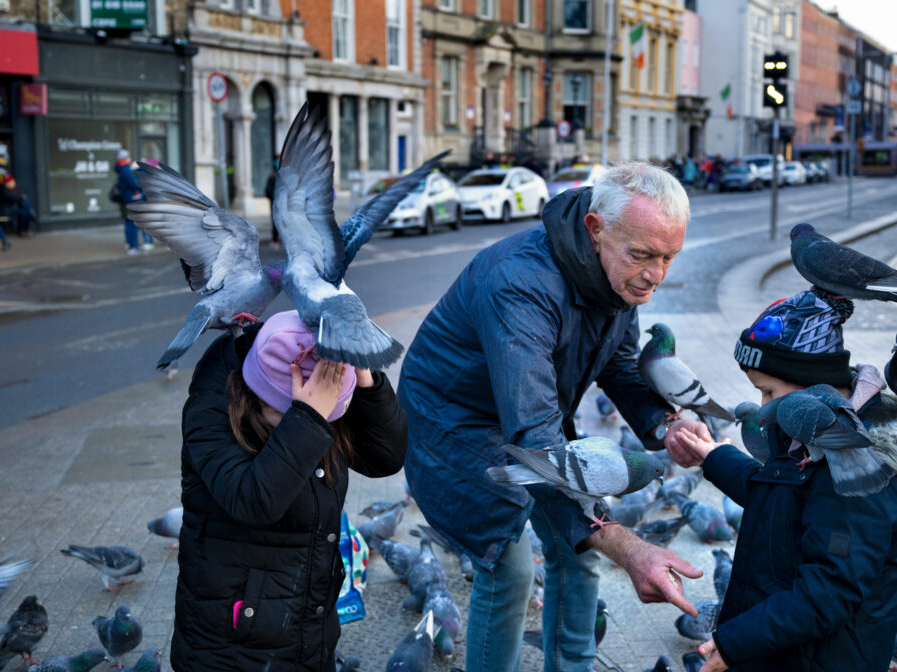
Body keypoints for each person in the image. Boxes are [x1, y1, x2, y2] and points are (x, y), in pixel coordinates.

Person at [399, 162, 703, 672]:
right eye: (645, 255)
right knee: (509, 567)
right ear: (595, 228)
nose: (656, 274)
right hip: (453, 422)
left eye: (670, 257)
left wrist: (664, 425)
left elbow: (621, 364)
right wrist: (629, 548)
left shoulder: (618, 272)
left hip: (527, 414)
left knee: (578, 551)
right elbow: (536, 442)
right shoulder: (519, 284)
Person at [665, 289, 897, 672]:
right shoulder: (806, 430)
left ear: (811, 382)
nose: (763, 407)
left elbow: (829, 590)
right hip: (780, 646)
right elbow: (780, 497)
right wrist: (716, 457)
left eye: (769, 392)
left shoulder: (860, 472)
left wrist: (735, 643)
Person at [172, 310, 407, 671]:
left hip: (309, 627)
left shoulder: (319, 397)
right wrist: (308, 414)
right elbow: (252, 501)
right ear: (256, 391)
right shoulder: (212, 406)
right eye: (291, 408)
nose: (323, 421)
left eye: (328, 410)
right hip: (232, 645)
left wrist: (365, 378)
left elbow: (385, 459)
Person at [114, 149, 145, 254]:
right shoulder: (125, 170)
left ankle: (130, 245)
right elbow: (134, 184)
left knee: (129, 223)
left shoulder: (122, 169)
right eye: (128, 157)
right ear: (125, 159)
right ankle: (133, 247)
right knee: (133, 223)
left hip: (126, 199)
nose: (130, 159)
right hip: (131, 199)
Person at [264, 159, 279, 250]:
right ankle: (275, 241)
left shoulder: (276, 177)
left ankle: (276, 241)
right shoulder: (273, 177)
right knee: (275, 222)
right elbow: (268, 191)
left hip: (277, 202)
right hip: (275, 202)